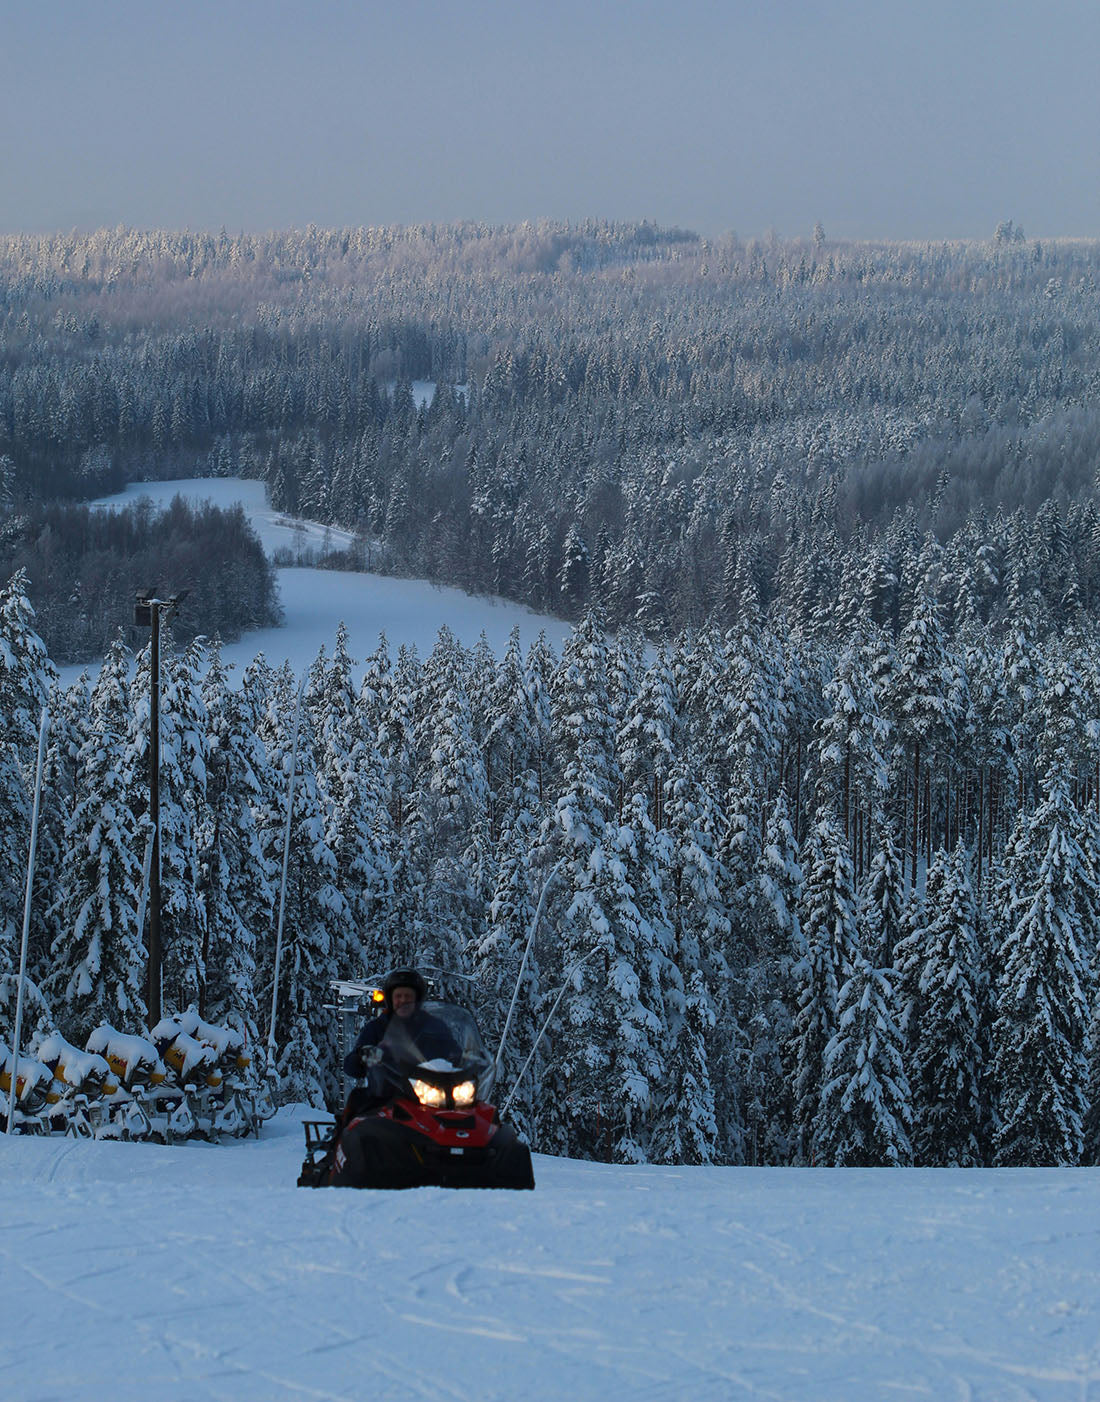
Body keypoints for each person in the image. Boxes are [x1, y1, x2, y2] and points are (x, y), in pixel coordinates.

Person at [343, 968, 462, 1085]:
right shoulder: (377, 1028)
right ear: (391, 999)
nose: (403, 1000)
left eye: (408, 996)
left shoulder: (434, 1026)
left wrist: (466, 1061)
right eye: (398, 996)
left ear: (417, 999)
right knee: (358, 1100)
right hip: (386, 1093)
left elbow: (454, 1053)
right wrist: (361, 1056)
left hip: (430, 1091)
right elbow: (351, 1067)